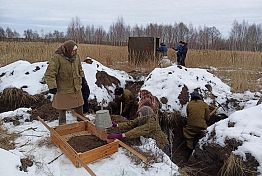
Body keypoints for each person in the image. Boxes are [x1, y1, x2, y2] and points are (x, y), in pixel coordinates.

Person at [44, 40, 85, 125]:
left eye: (76, 50)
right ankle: (62, 123)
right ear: (67, 50)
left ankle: (81, 119)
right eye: (73, 50)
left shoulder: (76, 57)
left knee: (79, 104)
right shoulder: (57, 58)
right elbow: (49, 74)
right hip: (63, 87)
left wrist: (83, 79)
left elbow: (80, 69)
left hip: (76, 86)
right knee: (62, 107)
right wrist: (52, 87)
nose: (75, 52)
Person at [183, 90, 210, 158]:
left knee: (188, 135)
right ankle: (199, 147)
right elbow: (207, 118)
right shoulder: (204, 104)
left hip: (190, 127)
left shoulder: (189, 104)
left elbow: (188, 115)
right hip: (202, 127)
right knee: (203, 136)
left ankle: (190, 148)